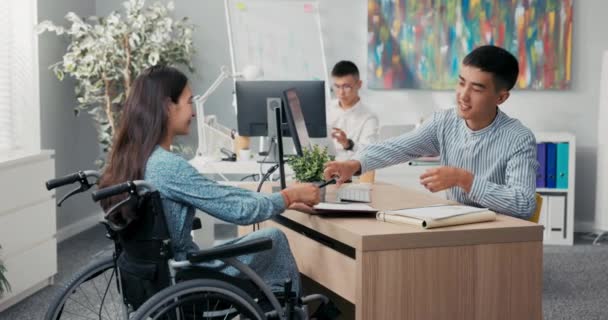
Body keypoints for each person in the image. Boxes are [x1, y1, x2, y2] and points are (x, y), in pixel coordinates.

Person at [99, 65, 320, 294]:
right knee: (273, 238)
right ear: (167, 107)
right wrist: (289, 195)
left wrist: (281, 199)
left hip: (153, 276)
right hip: (185, 277)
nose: (194, 113)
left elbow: (221, 195)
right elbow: (239, 211)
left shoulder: (131, 160)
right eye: (189, 102)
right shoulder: (166, 166)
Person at [324, 45, 539, 219]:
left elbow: (523, 204)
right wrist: (354, 164)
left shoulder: (519, 139)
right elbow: (397, 147)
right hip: (457, 227)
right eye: (461, 83)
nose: (463, 96)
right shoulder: (444, 122)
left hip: (501, 238)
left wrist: (464, 179)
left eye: (476, 89)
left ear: (501, 97)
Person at [327, 60, 379, 160]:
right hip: (323, 167)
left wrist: (348, 144)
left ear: (359, 84)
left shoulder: (369, 117)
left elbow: (370, 151)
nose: (341, 92)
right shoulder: (327, 109)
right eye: (337, 86)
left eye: (346, 86)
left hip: (351, 171)